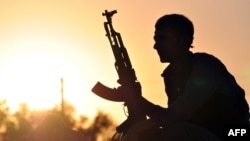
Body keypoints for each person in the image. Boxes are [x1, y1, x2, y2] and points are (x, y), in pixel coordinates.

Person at [121, 14, 250, 141]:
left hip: (235, 134)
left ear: (183, 40)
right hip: (206, 133)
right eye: (156, 39)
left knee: (175, 132)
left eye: (162, 38)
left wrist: (138, 129)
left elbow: (183, 109)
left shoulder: (206, 65)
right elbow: (172, 115)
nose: (156, 46)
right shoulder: (171, 75)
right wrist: (136, 100)